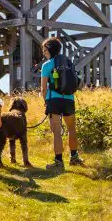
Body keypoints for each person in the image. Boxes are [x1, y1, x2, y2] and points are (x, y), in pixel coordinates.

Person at [40, 36, 83, 170]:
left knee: (57, 131)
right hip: (69, 99)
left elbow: (43, 88)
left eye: (45, 50)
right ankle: (74, 157)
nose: (44, 53)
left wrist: (45, 101)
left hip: (54, 99)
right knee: (71, 129)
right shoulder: (68, 62)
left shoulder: (47, 65)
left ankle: (59, 162)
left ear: (50, 50)